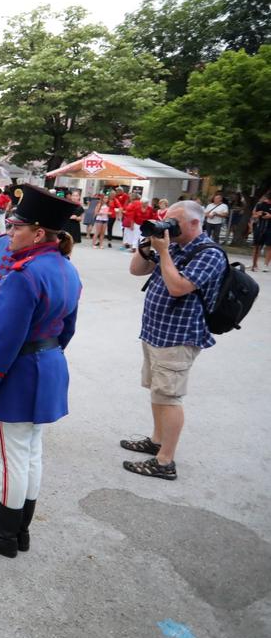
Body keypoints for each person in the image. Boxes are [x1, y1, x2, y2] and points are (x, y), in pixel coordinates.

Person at [0, 186, 82, 557]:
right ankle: (18, 528)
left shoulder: (23, 275)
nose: (10, 232)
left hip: (19, 373)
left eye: (17, 227)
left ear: (39, 233)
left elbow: (3, 342)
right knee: (30, 453)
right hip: (48, 365)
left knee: (11, 458)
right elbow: (68, 329)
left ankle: (4, 534)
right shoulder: (66, 268)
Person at [121, 201, 228, 480]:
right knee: (157, 391)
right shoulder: (175, 246)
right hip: (156, 332)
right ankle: (156, 441)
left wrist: (165, 252)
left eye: (174, 222)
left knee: (169, 397)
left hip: (179, 337)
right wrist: (146, 246)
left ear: (195, 223)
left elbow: (178, 287)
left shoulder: (209, 254)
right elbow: (136, 270)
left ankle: (165, 461)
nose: (168, 226)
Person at [251, 191, 271, 271]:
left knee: (269, 246)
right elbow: (254, 215)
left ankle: (266, 265)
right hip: (260, 227)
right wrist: (258, 214)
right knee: (257, 246)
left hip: (270, 228)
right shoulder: (260, 205)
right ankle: (254, 264)